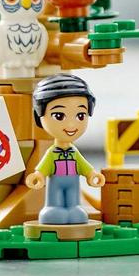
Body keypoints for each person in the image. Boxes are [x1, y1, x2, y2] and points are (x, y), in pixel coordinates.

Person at [25, 73, 105, 225]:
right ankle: (53, 209)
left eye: (80, 115)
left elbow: (83, 165)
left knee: (74, 203)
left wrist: (91, 174)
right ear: (39, 117)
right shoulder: (52, 153)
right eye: (59, 115)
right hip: (56, 182)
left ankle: (74, 208)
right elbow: (44, 168)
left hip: (73, 182)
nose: (71, 125)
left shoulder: (74, 152)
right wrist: (39, 176)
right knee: (54, 201)